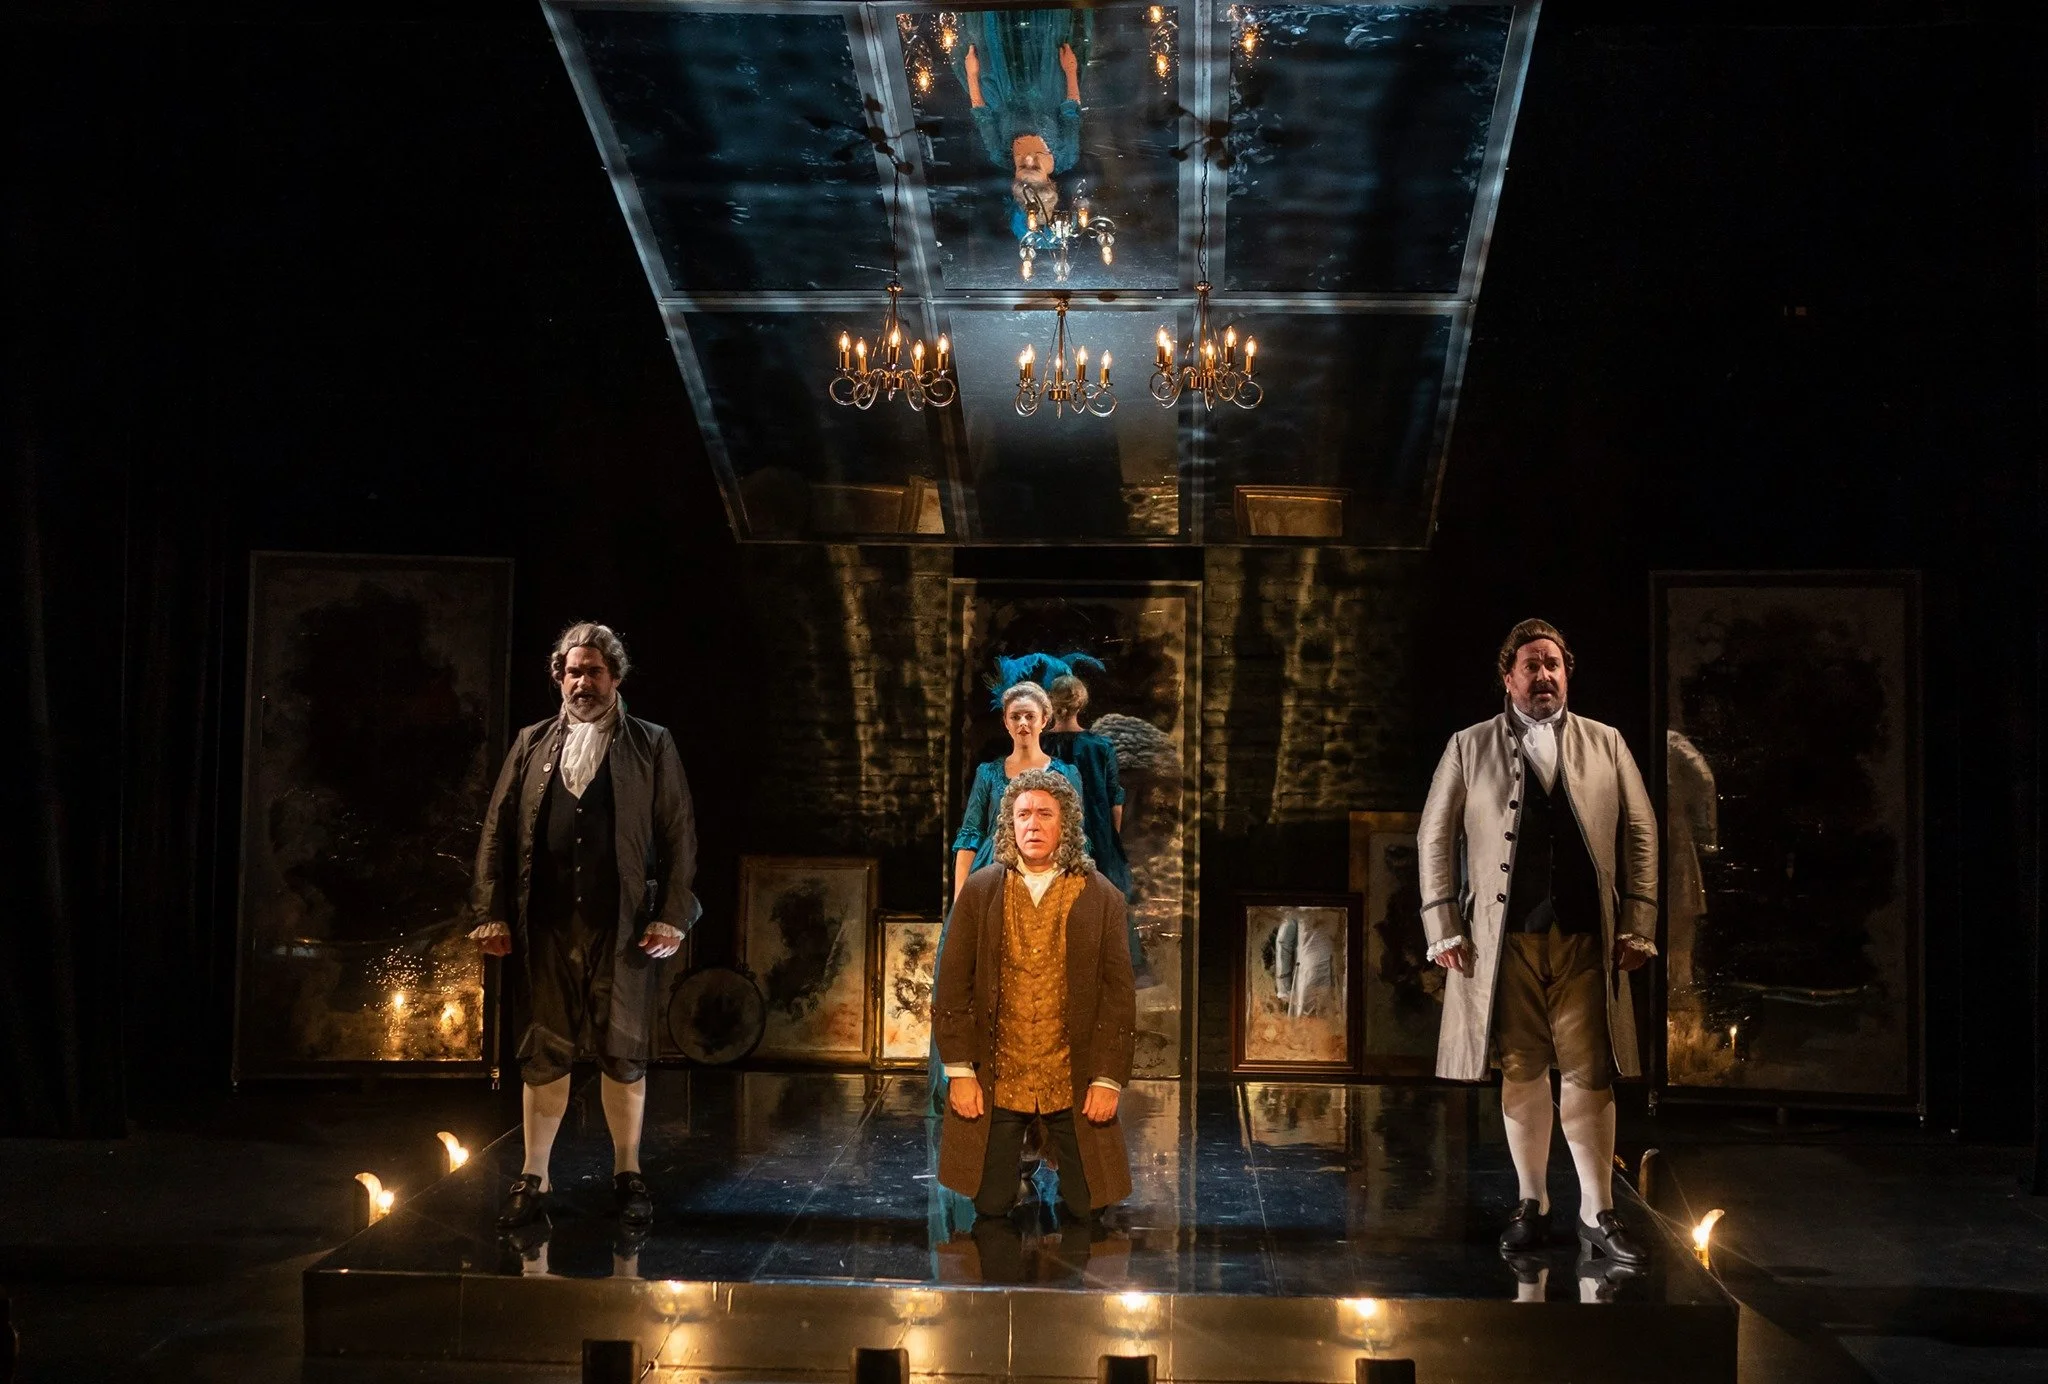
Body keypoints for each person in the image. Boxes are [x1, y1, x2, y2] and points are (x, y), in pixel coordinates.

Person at [1418, 619, 1658, 1266]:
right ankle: (1532, 1201)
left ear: (1567, 672)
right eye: (1532, 664)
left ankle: (1597, 1210)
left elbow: (1640, 830)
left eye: (1553, 663)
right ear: (1509, 677)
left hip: (1587, 939)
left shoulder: (1606, 743)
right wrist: (1442, 924)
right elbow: (1434, 835)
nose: (1544, 675)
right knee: (1522, 1069)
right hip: (1506, 944)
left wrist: (1640, 921)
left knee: (1590, 1072)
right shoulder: (1469, 746)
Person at [470, 622, 698, 1231]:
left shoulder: (651, 743)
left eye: (594, 671)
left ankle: (628, 1172)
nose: (583, 682)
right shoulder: (531, 742)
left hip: (621, 927)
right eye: (573, 672)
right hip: (545, 924)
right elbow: (497, 830)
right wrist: (489, 911)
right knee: (543, 1048)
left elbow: (678, 833)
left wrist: (672, 913)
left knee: (623, 1050)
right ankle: (534, 1175)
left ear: (615, 676)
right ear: (559, 677)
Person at [934, 768, 1136, 1223]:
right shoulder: (982, 890)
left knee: (1088, 1205)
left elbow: (1118, 996)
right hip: (1000, 1076)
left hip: (1071, 1078)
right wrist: (960, 1071)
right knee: (990, 1203)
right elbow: (953, 985)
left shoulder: (1101, 897)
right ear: (1010, 823)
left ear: (1065, 824)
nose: (1033, 825)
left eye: (1045, 814)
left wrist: (1107, 1079)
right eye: (1023, 814)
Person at [953, 11, 1091, 239]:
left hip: (1000, 77)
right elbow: (1071, 109)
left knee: (994, 24)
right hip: (1047, 75)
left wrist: (972, 75)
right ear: (1048, 179)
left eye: (1022, 167)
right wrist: (1070, 70)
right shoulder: (1066, 154)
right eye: (1035, 167)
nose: (1028, 159)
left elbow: (981, 113)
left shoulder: (999, 154)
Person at [951, 682, 1082, 903]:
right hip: (992, 872)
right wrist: (960, 898)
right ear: (1006, 722)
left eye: (1030, 716)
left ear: (1044, 720)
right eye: (1015, 717)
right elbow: (970, 836)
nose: (1023, 723)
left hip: (1047, 874)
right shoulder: (988, 773)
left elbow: (1076, 836)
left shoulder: (1066, 774)